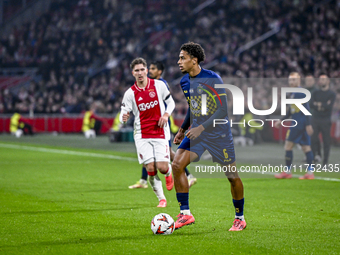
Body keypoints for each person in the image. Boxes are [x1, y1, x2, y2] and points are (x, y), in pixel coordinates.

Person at [171, 42, 246, 231]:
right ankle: (185, 214)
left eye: (182, 58)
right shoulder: (185, 81)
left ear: (194, 60)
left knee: (231, 176)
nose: (178, 61)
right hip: (197, 132)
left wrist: (201, 128)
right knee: (177, 165)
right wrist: (182, 129)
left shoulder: (213, 79)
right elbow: (193, 107)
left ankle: (240, 218)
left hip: (218, 134)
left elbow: (222, 110)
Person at [129, 61, 197, 189]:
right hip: (151, 122)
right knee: (147, 150)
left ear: (160, 72)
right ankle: (143, 180)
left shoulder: (161, 84)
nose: (150, 71)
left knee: (169, 153)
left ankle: (189, 176)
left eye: (153, 69)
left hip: (161, 123)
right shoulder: (150, 85)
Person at [120, 57, 175, 207]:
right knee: (150, 168)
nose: (140, 73)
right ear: (133, 73)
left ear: (146, 71)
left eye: (142, 70)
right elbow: (123, 112)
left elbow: (171, 103)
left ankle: (169, 172)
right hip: (142, 134)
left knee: (162, 168)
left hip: (160, 131)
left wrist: (165, 115)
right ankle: (161, 198)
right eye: (136, 70)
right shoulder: (130, 93)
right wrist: (123, 117)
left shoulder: (159, 85)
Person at [274, 72, 314, 180]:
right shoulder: (294, 93)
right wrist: (281, 120)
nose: (291, 82)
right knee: (306, 148)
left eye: (294, 80)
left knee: (288, 146)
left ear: (299, 80)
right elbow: (290, 111)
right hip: (302, 123)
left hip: (298, 124)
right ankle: (310, 173)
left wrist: (308, 124)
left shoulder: (300, 93)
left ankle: (287, 172)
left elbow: (307, 109)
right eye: (290, 80)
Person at [310, 74, 336, 167]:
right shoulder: (315, 93)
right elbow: (311, 104)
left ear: (328, 81)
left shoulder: (332, 94)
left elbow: (329, 107)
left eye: (324, 79)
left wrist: (318, 104)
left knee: (326, 141)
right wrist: (323, 105)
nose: (321, 81)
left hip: (325, 120)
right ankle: (313, 160)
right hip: (315, 119)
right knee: (313, 139)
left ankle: (325, 163)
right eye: (320, 79)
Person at [304, 74, 321, 162]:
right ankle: (309, 154)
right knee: (307, 136)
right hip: (305, 116)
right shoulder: (303, 91)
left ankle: (318, 154)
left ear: (314, 81)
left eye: (310, 80)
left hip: (314, 116)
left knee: (314, 136)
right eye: (307, 81)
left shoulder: (317, 91)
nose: (309, 82)